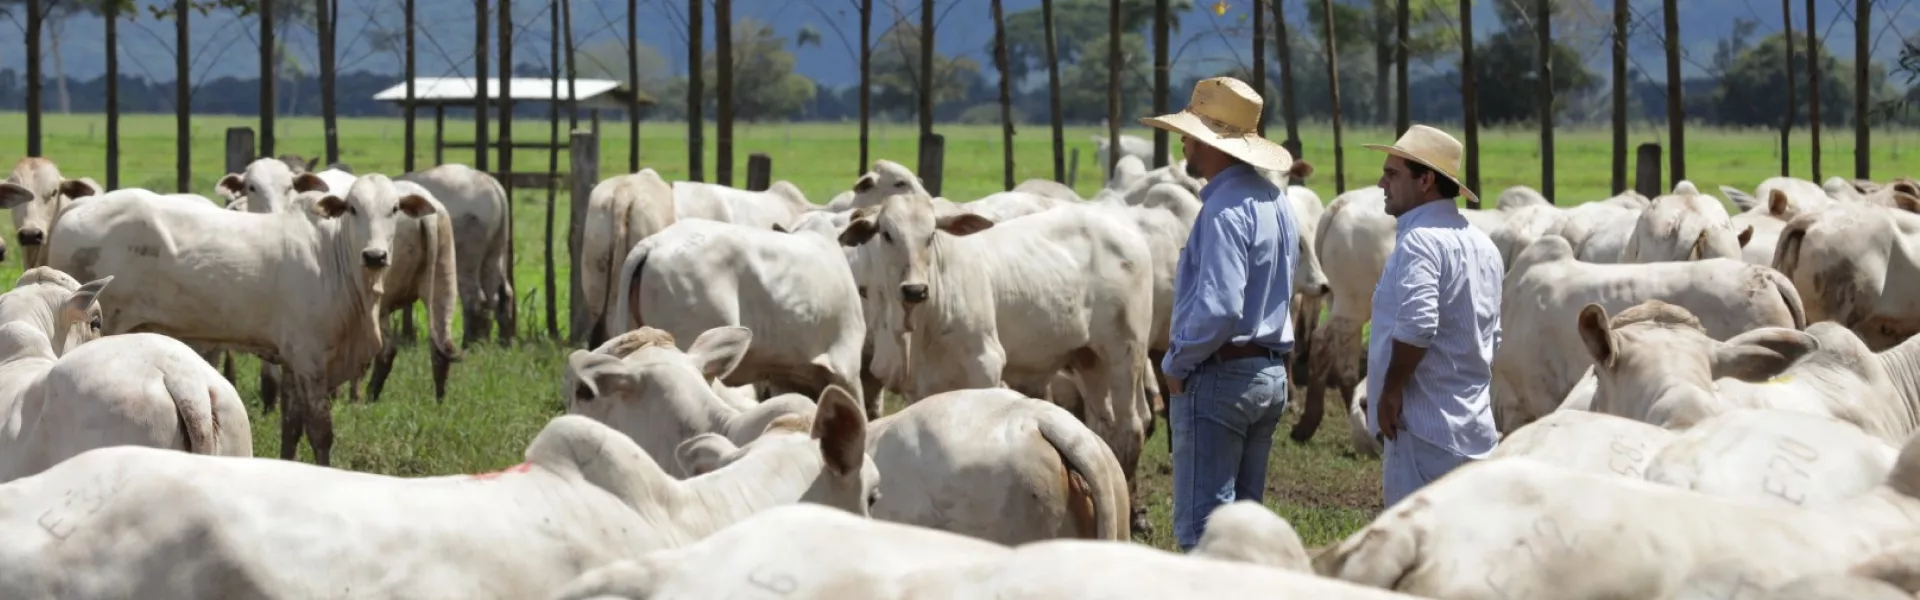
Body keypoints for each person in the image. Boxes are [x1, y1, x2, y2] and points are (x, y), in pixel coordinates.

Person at [1140, 76, 1300, 551]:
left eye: (1190, 132)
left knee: (1202, 530)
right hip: (1267, 370)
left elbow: (1220, 309)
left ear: (1213, 143)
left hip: (1220, 375)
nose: (1184, 140)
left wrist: (1175, 363)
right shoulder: (1276, 203)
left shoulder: (1223, 211)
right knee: (1245, 534)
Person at [1362, 124, 1504, 508]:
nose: (1381, 183)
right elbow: (1493, 336)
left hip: (1424, 433)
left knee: (1415, 553)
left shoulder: (1421, 240)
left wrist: (1391, 391)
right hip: (1475, 429)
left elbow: (1419, 325)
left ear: (1425, 180)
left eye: (1392, 174)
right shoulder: (1485, 246)